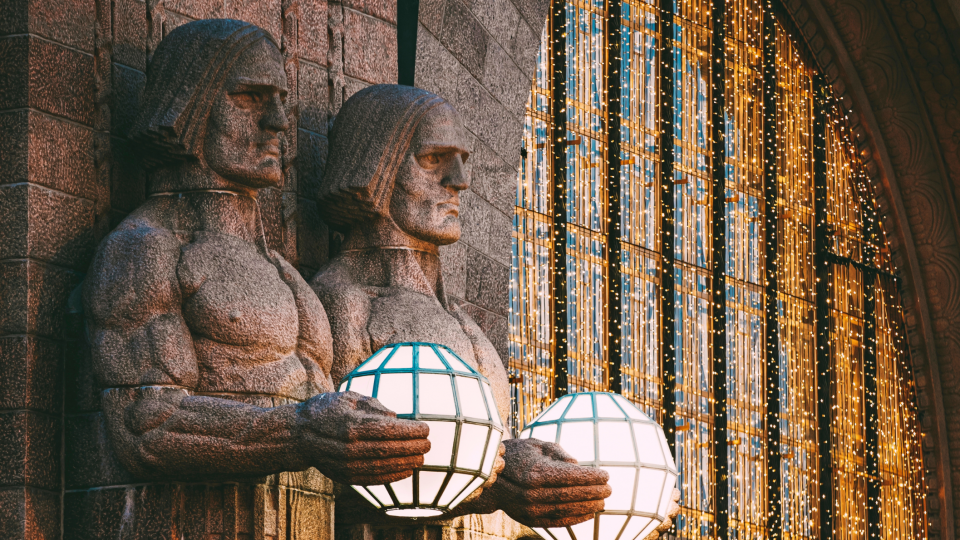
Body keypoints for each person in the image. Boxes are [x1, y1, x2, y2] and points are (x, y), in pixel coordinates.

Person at [83, 20, 432, 536]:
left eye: (281, 103)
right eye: (250, 97)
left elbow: (342, 449)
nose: (276, 123)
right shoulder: (145, 248)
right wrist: (302, 429)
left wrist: (495, 468)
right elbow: (144, 425)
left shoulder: (289, 275)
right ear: (189, 105)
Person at [311, 85, 651, 531]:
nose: (459, 180)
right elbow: (323, 474)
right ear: (375, 164)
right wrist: (500, 488)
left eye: (461, 161)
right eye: (432, 159)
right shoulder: (344, 299)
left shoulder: (463, 322)